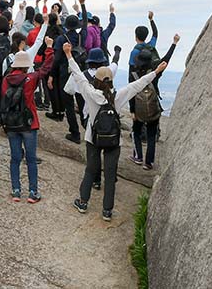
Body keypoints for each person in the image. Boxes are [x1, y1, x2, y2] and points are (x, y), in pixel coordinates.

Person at [64, 42, 169, 221]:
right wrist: (156, 71)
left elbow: (78, 75)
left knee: (91, 169)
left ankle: (83, 202)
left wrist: (68, 54)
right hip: (114, 141)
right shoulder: (118, 95)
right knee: (110, 174)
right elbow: (138, 84)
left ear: (96, 81)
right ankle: (107, 211)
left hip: (93, 138)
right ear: (111, 80)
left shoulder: (90, 93)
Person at [1, 40, 54, 203]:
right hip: (29, 123)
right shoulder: (30, 79)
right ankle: (33, 192)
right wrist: (49, 49)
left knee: (15, 158)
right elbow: (45, 69)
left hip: (11, 123)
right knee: (31, 159)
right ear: (26, 66)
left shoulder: (6, 80)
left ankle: (16, 191)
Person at [130, 34, 180, 170]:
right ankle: (149, 162)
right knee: (151, 135)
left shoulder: (133, 73)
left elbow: (131, 93)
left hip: (138, 107)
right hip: (153, 106)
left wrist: (132, 110)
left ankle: (138, 156)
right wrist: (174, 44)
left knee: (136, 132)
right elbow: (166, 60)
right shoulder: (155, 72)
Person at [50, 0, 89, 143]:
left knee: (68, 105)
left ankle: (75, 133)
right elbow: (85, 23)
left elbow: (57, 59)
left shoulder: (61, 39)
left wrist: (52, 76)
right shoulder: (81, 37)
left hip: (65, 74)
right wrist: (83, 5)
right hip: (79, 73)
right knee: (82, 102)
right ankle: (87, 128)